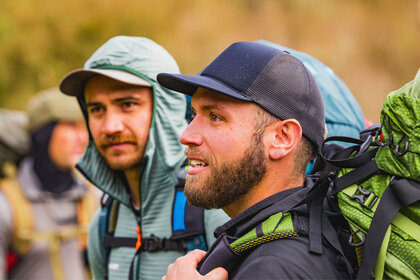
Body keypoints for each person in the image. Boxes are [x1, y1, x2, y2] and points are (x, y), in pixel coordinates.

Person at [157, 41, 353, 279]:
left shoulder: (274, 268)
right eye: (193, 114)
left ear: (282, 138)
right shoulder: (302, 229)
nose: (186, 135)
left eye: (215, 117)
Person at [59, 36, 228, 280]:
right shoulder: (104, 223)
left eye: (127, 104)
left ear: (165, 108)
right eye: (96, 109)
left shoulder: (215, 207)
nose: (110, 126)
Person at [0, 88, 97, 280]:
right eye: (71, 126)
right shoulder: (6, 205)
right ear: (44, 133)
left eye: (83, 127)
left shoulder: (94, 198)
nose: (82, 137)